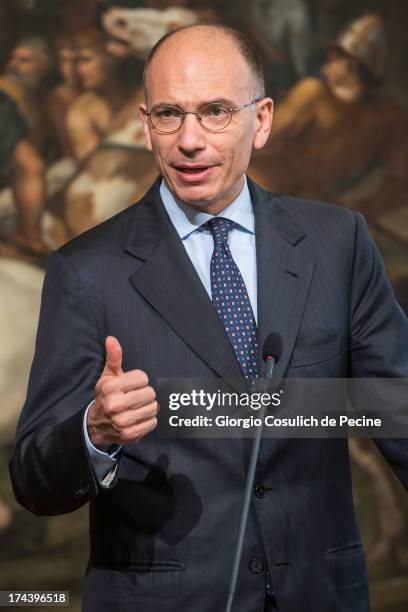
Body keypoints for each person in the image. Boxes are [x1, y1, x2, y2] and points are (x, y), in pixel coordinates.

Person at [9, 24, 408, 612]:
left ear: (262, 120)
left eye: (216, 111)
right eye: (170, 114)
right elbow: (34, 478)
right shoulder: (85, 271)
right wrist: (94, 432)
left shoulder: (337, 244)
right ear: (146, 126)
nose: (189, 140)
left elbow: (398, 410)